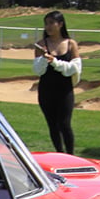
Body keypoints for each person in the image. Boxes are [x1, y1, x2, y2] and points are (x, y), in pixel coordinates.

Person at [32, 10, 82, 154]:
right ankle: (59, 154)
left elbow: (74, 68)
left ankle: (71, 156)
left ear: (60, 24)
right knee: (52, 125)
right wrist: (43, 58)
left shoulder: (71, 44)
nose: (48, 27)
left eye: (51, 23)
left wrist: (54, 62)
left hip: (65, 90)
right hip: (46, 90)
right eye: (46, 23)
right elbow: (38, 70)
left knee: (65, 124)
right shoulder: (41, 45)